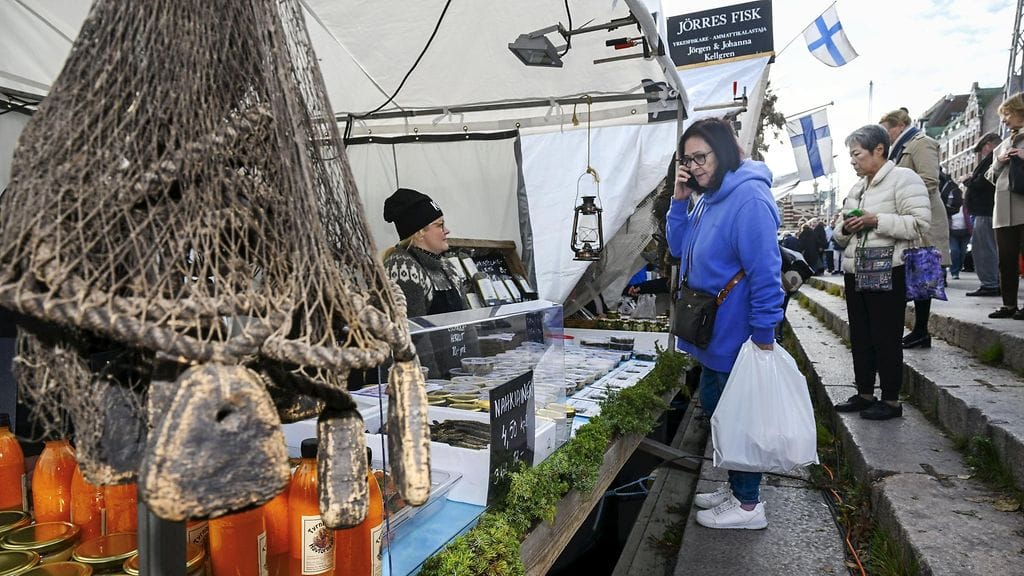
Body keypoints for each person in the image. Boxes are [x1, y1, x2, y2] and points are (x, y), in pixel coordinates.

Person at [666, 118, 783, 530]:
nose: (695, 166)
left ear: (724, 151)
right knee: (720, 412)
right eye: (687, 159)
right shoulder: (708, 197)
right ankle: (736, 487)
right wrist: (679, 201)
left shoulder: (748, 198)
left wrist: (764, 339)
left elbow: (768, 273)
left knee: (740, 418)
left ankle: (749, 506)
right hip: (712, 333)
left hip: (738, 336)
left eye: (701, 157)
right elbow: (679, 248)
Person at [832, 124, 931, 421]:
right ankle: (864, 393)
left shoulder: (904, 179)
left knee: (885, 336)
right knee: (860, 335)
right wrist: (845, 229)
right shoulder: (857, 187)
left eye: (856, 154)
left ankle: (890, 400)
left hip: (888, 266)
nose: (852, 161)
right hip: (855, 269)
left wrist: (876, 220)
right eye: (851, 155)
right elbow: (838, 235)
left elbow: (919, 223)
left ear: (879, 150)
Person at [879, 109, 949, 349]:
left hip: (923, 219)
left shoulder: (921, 143)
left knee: (923, 274)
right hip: (910, 218)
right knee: (914, 274)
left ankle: (921, 330)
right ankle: (918, 330)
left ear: (900, 125)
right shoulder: (901, 148)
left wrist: (899, 202)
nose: (885, 135)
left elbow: (930, 179)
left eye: (887, 129)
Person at [382, 187, 466, 317]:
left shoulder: (447, 266)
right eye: (440, 225)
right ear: (419, 233)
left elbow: (467, 324)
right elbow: (415, 332)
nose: (447, 230)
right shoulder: (402, 267)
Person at [985, 92, 1024, 319]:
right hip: (1002, 212)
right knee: (1006, 260)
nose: (1004, 119)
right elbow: (990, 176)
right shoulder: (1003, 144)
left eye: (1007, 113)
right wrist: (999, 161)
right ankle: (1009, 305)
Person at [963, 132, 1003, 297]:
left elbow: (986, 181)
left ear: (988, 144)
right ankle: (991, 282)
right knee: (987, 247)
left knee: (984, 248)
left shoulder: (995, 158)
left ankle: (990, 284)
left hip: (985, 210)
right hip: (985, 210)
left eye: (982, 149)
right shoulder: (995, 158)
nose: (982, 152)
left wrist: (969, 180)